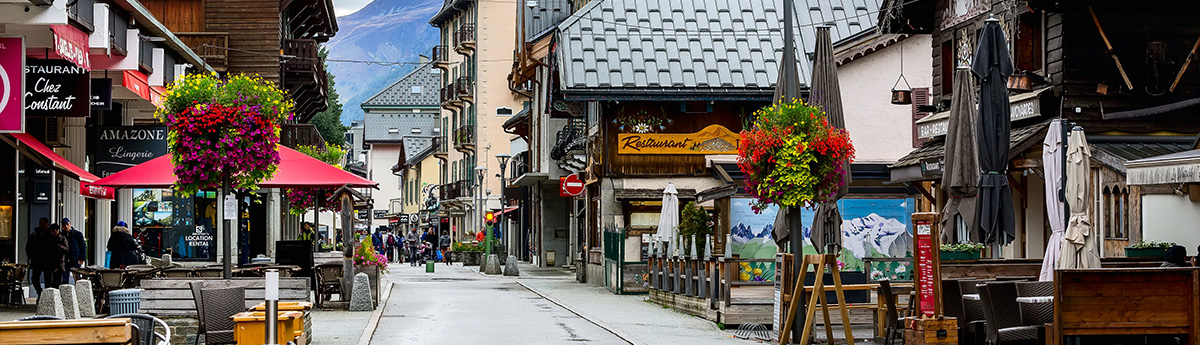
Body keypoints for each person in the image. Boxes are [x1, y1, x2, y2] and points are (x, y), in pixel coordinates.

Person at [62, 218, 86, 283]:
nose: (66, 226)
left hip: (75, 259)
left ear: (70, 224)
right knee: (64, 279)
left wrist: (82, 258)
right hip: (65, 260)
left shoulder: (77, 234)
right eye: (64, 225)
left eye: (67, 224)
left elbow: (83, 246)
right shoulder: (61, 235)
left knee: (77, 278)